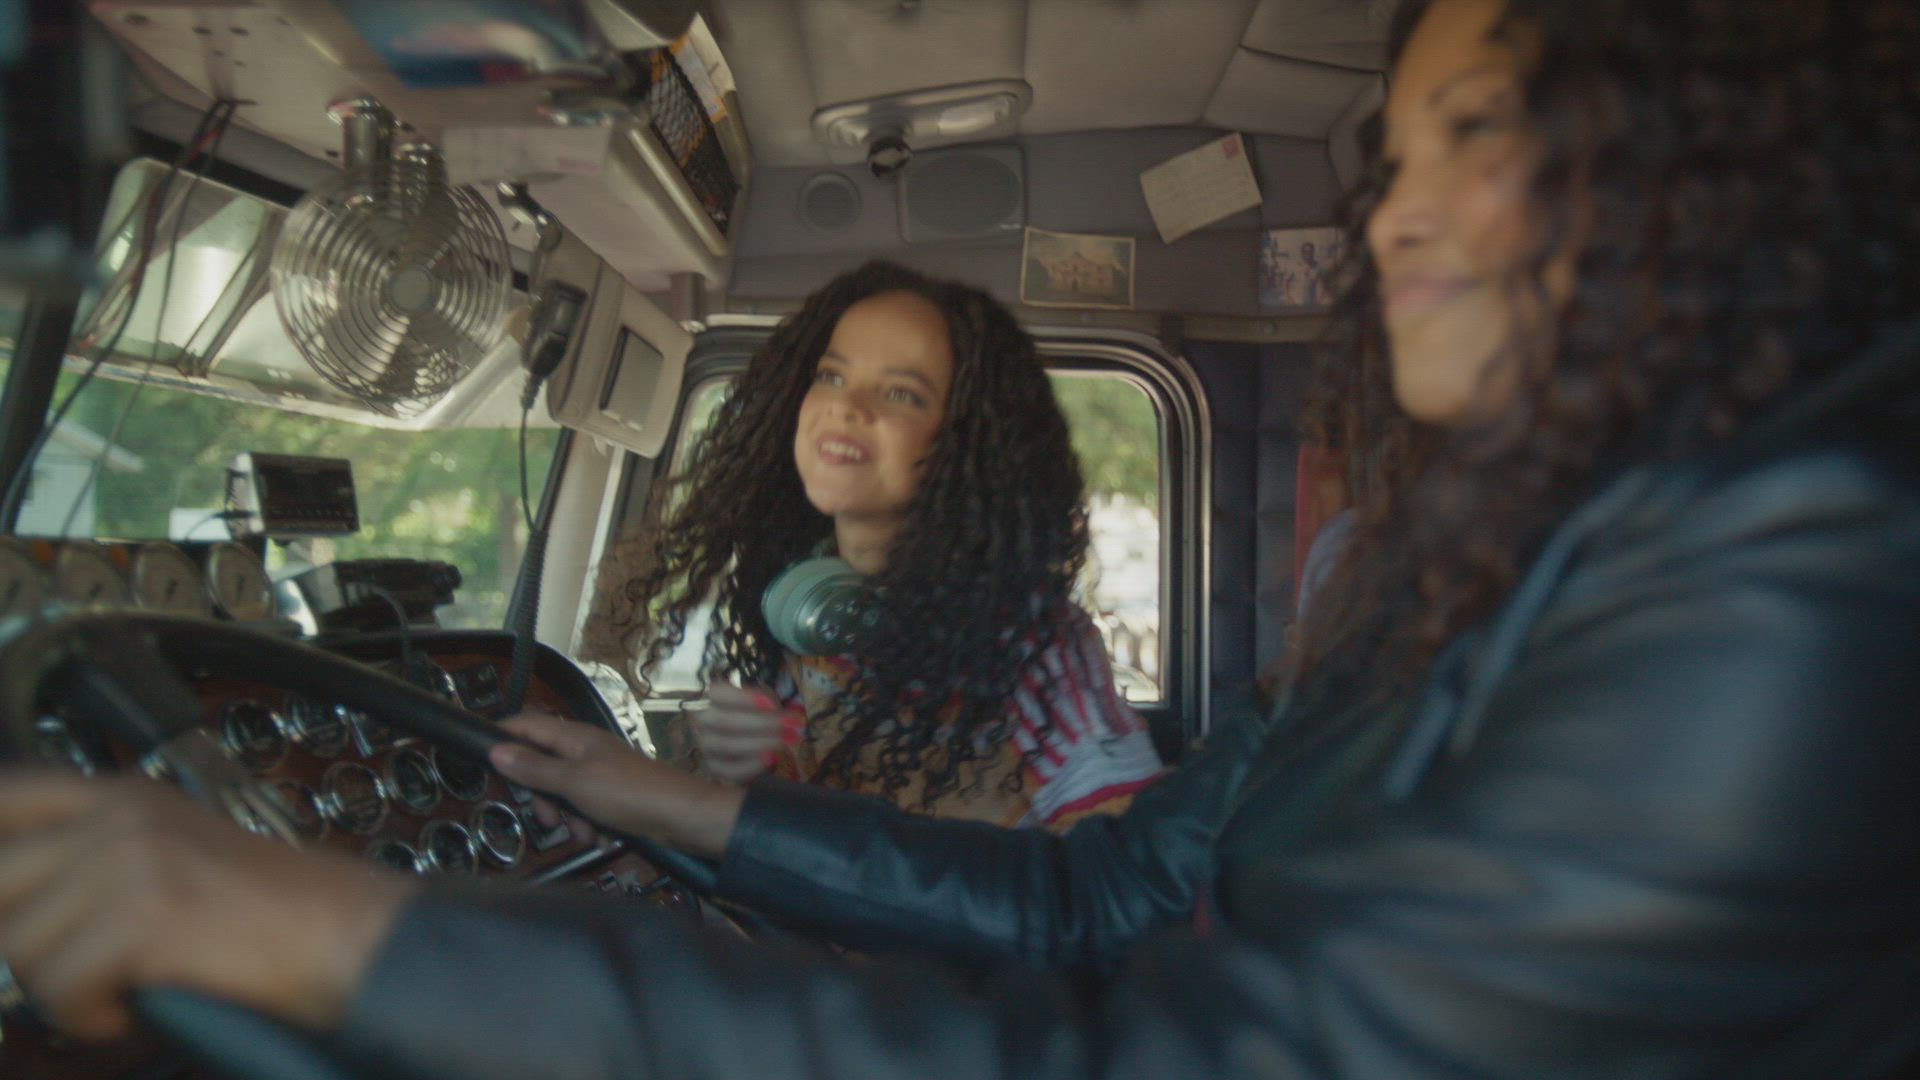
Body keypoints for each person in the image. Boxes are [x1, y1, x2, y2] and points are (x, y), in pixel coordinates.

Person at [2, 0, 1917, 1075]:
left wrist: (345, 927)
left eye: (1474, 133)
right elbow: (1100, 913)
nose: (1403, 218)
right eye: (1394, 160)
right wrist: (676, 806)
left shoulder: (1797, 582)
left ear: (1684, 155)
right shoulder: (1434, 580)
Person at [575, 260, 1161, 830]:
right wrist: (746, 776)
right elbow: (795, 840)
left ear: (967, 442)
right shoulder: (810, 618)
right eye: (830, 376)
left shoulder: (1037, 650)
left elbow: (1120, 873)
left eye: (902, 394)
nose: (846, 406)